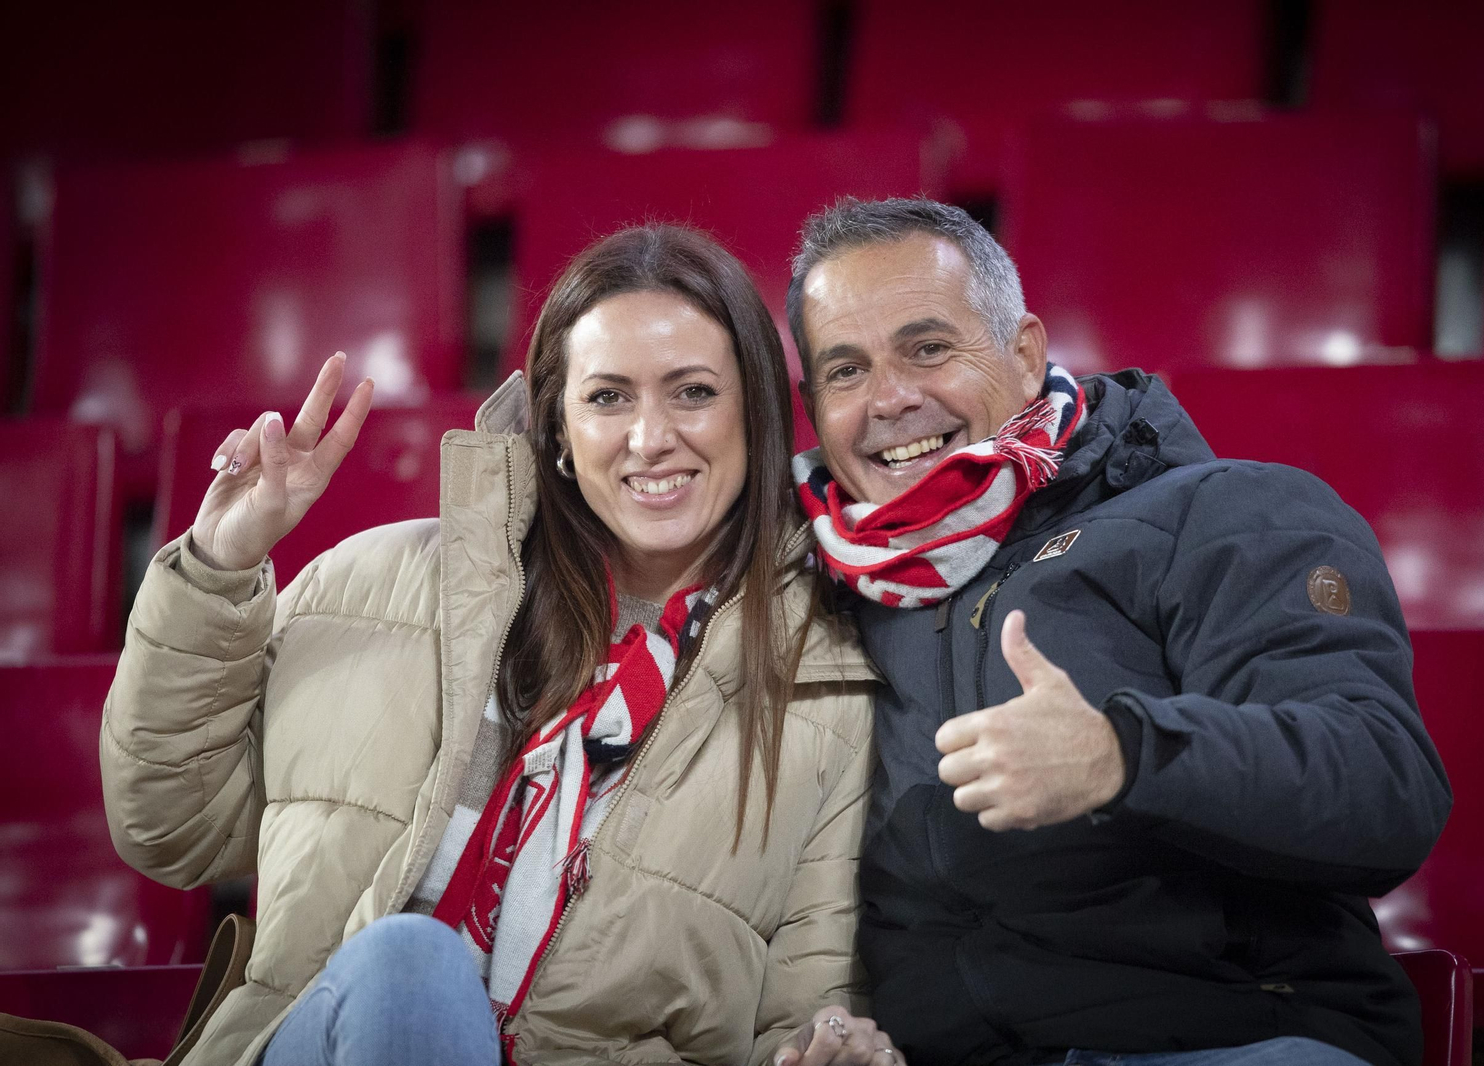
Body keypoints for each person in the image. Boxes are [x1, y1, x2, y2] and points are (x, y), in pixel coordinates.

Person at [100, 226, 904, 1066]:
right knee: (411, 967)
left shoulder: (828, 687)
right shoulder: (367, 584)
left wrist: (826, 1050)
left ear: (756, 415)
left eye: (693, 392)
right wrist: (218, 565)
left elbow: (801, 1013)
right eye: (608, 398)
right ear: (557, 428)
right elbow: (172, 829)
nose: (650, 437)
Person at [785, 198, 1453, 1066]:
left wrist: (1123, 758)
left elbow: (1385, 787)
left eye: (929, 349)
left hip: (1234, 1038)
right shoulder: (808, 589)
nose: (891, 398)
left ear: (1025, 352)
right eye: (846, 370)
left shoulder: (1226, 511)